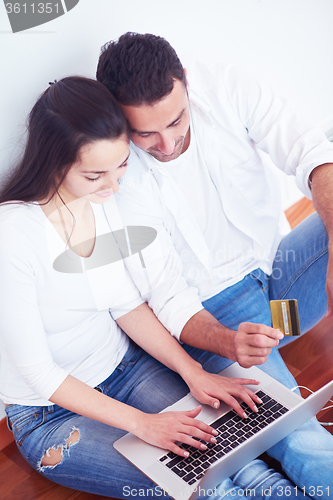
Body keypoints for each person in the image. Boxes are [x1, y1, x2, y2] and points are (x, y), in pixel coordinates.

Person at [0, 76, 306, 499]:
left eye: (121, 165)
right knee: (203, 485)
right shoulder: (13, 233)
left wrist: (192, 371)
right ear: (54, 163)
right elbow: (37, 372)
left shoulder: (101, 205)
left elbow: (127, 305)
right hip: (49, 414)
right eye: (95, 175)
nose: (113, 185)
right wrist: (143, 424)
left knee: (241, 460)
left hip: (128, 371)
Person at [96, 32, 333, 498]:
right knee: (293, 429)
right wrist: (228, 342)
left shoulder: (225, 85)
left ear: (184, 82)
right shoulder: (117, 177)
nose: (165, 144)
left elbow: (312, 152)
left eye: (176, 120)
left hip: (279, 282)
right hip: (218, 316)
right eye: (145, 133)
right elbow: (166, 294)